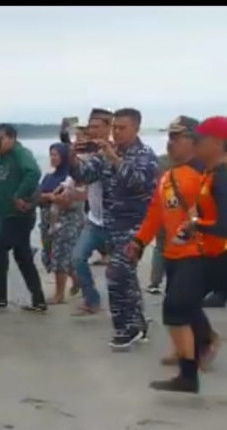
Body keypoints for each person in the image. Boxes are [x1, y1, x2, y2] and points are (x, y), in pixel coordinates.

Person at [128, 116, 227, 392]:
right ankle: (196, 351)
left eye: (177, 138)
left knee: (178, 306)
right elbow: (156, 213)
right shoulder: (169, 175)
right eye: (168, 138)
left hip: (197, 253)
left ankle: (193, 360)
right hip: (174, 251)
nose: (170, 144)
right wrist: (139, 240)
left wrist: (201, 228)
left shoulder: (205, 175)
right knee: (183, 307)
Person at [70, 108, 158, 350]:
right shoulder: (107, 153)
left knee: (117, 272)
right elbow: (84, 175)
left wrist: (115, 160)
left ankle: (125, 329)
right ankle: (137, 324)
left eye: (122, 128)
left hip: (136, 227)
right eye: (115, 128)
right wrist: (72, 157)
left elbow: (140, 184)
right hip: (110, 225)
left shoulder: (145, 155)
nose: (117, 133)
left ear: (136, 128)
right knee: (126, 277)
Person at [0, 124, 46, 312]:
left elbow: (34, 173)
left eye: (1, 138)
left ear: (12, 138)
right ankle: (38, 300)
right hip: (5, 214)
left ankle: (0, 297)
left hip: (17, 215)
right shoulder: (0, 159)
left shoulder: (20, 153)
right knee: (23, 257)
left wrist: (18, 195)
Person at [70, 109, 114, 315]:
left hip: (118, 222)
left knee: (120, 270)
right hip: (95, 219)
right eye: (90, 127)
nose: (92, 131)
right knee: (78, 258)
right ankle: (92, 299)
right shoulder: (91, 152)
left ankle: (126, 307)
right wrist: (71, 155)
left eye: (96, 127)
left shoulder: (118, 150)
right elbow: (80, 177)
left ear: (108, 127)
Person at [39, 143, 85, 304]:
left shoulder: (72, 178)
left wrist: (51, 197)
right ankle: (77, 279)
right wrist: (47, 197)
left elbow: (73, 201)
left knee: (61, 255)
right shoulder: (49, 177)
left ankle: (59, 294)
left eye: (56, 154)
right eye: (51, 154)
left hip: (67, 221)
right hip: (48, 220)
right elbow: (38, 195)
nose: (52, 157)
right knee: (49, 255)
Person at [146, 153, 173, 295]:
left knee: (160, 246)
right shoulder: (195, 161)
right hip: (173, 210)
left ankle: (155, 282)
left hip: (163, 207)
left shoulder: (160, 160)